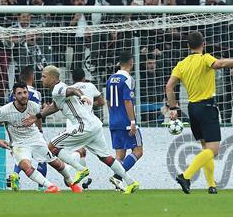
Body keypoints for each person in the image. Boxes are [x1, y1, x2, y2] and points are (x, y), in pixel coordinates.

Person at [26, 66, 139, 194]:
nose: (41, 79)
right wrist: (37, 116)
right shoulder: (58, 91)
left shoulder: (58, 88)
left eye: (44, 76)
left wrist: (82, 95)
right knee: (105, 157)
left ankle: (80, 169)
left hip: (83, 125)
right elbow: (55, 106)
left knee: (52, 146)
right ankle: (131, 182)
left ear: (53, 78)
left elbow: (74, 90)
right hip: (94, 125)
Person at [166, 31, 233, 194]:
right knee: (213, 150)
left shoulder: (181, 64)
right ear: (203, 44)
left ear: (188, 46)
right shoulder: (205, 58)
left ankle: (211, 185)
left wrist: (173, 108)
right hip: (206, 106)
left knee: (205, 147)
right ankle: (186, 176)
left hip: (192, 108)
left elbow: (169, 87)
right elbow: (219, 64)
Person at [0, 82, 80, 194]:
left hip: (35, 138)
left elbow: (38, 117)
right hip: (19, 143)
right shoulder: (4, 110)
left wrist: (40, 130)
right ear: (14, 96)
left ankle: (71, 182)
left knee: (55, 163)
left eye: (25, 92)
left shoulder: (34, 106)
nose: (23, 96)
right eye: (19, 93)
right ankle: (51, 186)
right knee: (25, 165)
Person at [5, 66, 47, 191]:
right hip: (31, 129)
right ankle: (41, 186)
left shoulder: (13, 93)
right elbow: (37, 114)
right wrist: (40, 130)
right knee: (42, 156)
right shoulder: (34, 93)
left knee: (22, 156)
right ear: (32, 77)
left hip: (16, 130)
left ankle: (15, 174)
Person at [105, 52, 144, 192]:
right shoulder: (128, 79)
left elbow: (108, 101)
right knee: (138, 151)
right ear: (131, 62)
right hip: (126, 122)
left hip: (114, 121)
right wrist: (132, 121)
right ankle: (117, 177)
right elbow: (128, 101)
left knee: (119, 155)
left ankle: (118, 186)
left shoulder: (110, 79)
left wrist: (113, 117)